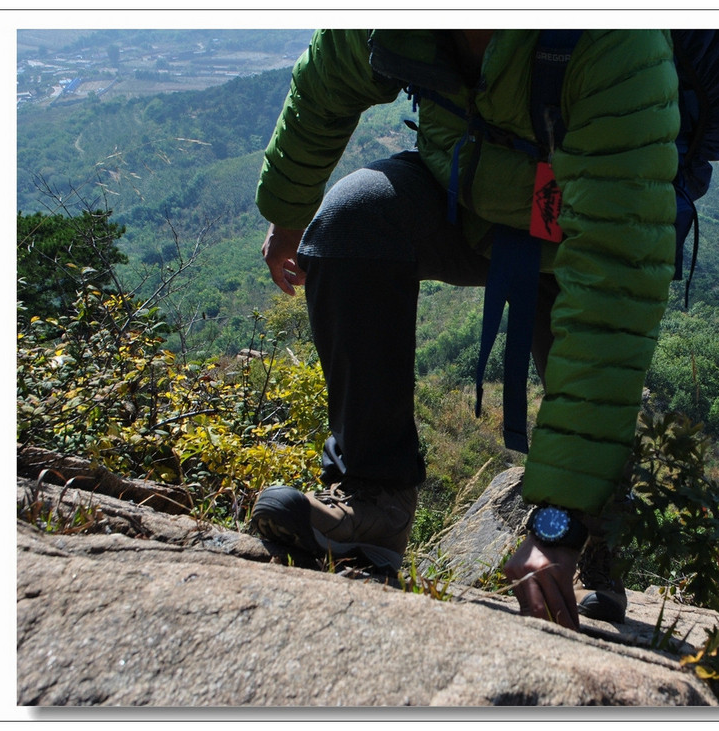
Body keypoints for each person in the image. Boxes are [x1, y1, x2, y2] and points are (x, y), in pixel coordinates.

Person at [250, 29, 681, 631]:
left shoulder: (613, 42)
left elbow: (613, 295)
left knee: (580, 373)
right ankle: (375, 500)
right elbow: (329, 79)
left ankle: (587, 554)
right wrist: (290, 209)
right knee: (352, 221)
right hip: (466, 198)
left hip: (581, 228)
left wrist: (559, 522)